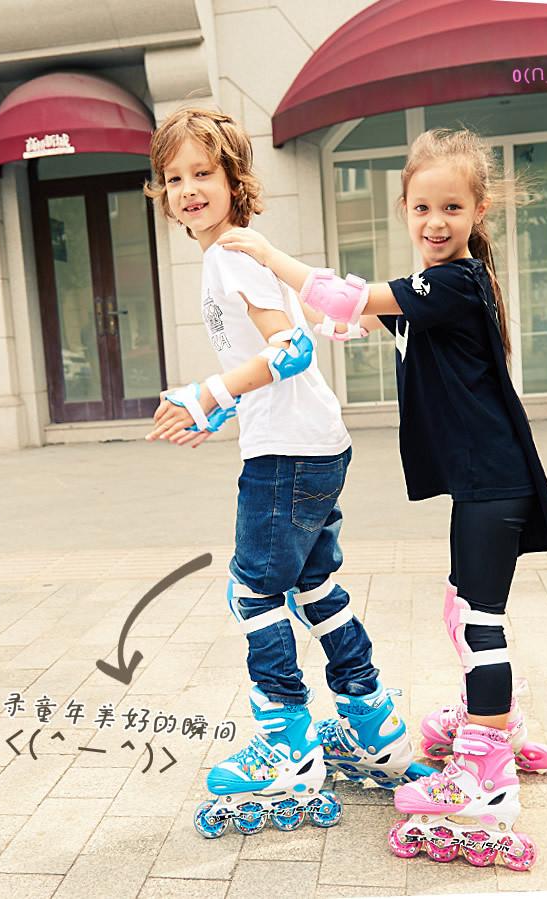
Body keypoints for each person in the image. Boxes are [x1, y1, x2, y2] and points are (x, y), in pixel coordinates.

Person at [217, 128, 547, 868]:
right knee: (460, 608)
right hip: (483, 481)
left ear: (477, 211)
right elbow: (368, 313)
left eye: (451, 207)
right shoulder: (438, 286)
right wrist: (340, 318)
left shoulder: (456, 281)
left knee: (479, 622)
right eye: (422, 207)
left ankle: (484, 774)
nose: (435, 221)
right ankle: (491, 721)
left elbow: (347, 296)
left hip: (494, 483)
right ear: (404, 208)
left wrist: (270, 256)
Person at [143, 107, 429, 840]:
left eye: (203, 173)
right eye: (174, 178)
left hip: (287, 454)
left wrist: (210, 393)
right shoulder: (231, 254)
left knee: (252, 591)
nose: (188, 189)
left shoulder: (230, 255)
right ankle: (373, 726)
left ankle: (288, 745)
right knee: (315, 585)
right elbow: (273, 360)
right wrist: (216, 412)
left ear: (234, 180)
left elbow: (291, 351)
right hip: (313, 442)